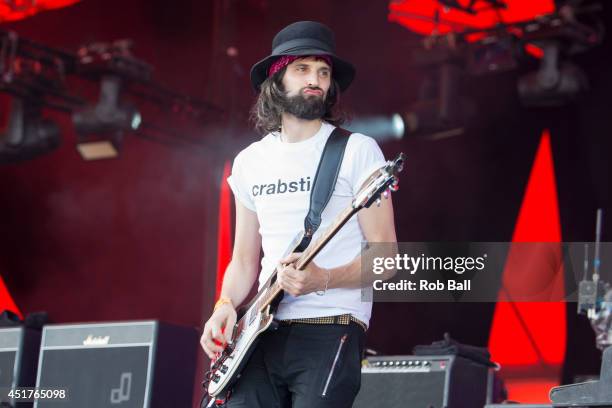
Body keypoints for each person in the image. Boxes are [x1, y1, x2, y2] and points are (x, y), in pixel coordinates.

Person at [200, 20, 397, 408]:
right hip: (259, 333)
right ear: (276, 79)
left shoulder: (357, 150)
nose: (316, 80)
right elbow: (243, 260)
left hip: (331, 327)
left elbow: (387, 258)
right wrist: (223, 306)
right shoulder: (249, 162)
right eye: (303, 69)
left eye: (323, 72)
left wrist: (322, 278)